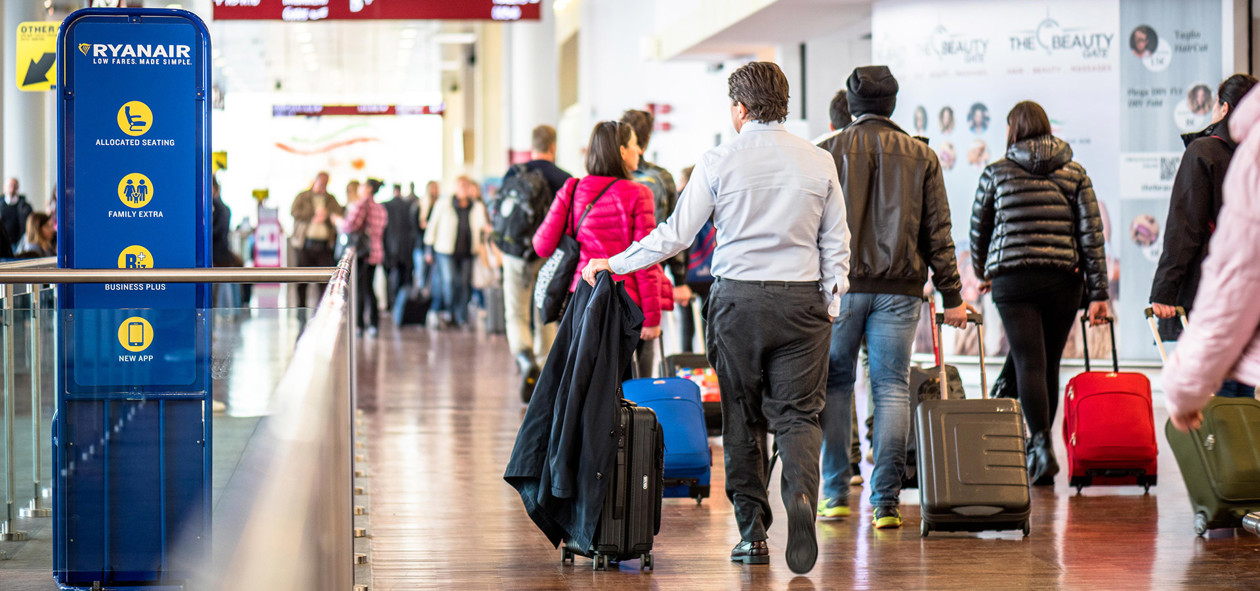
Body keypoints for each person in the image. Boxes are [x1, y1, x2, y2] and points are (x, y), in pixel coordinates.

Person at [582, 62, 850, 574]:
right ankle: (800, 498)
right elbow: (836, 245)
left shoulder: (718, 161)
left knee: (741, 416)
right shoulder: (819, 162)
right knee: (798, 416)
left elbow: (676, 235)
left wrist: (613, 263)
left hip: (738, 304)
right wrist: (829, 306)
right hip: (802, 304)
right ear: (784, 105)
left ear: (740, 109)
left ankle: (752, 533)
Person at [816, 66, 967, 530]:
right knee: (891, 388)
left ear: (852, 103)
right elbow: (938, 233)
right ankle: (886, 503)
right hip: (900, 290)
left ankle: (836, 494)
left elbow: (811, 227)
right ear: (893, 105)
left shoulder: (827, 152)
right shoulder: (922, 156)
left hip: (841, 288)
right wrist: (953, 296)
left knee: (836, 385)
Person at [971, 100, 1110, 485]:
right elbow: (1091, 237)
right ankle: (1042, 450)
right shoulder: (1075, 172)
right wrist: (1098, 292)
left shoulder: (996, 172)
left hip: (1013, 281)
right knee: (1047, 364)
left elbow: (979, 228)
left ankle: (1040, 447)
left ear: (1013, 130)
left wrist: (983, 271)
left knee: (1027, 361)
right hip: (1063, 280)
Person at [1151, 73, 1259, 399]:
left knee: (1216, 399)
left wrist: (1164, 290)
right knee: (1241, 398)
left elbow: (1186, 228)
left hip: (1210, 294)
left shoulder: (1204, 153)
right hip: (1250, 299)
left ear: (1224, 109)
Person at [534, 121, 666, 357]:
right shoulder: (638, 194)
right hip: (624, 302)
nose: (639, 151)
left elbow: (542, 246)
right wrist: (652, 318)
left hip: (580, 299)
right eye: (635, 144)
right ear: (622, 151)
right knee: (622, 384)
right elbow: (646, 260)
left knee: (583, 380)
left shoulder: (572, 189)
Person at [499, 125, 572, 379]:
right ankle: (544, 369)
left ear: (532, 146)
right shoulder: (564, 179)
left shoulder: (514, 172)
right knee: (545, 310)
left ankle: (523, 355)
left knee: (515, 311)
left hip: (515, 253)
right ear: (553, 146)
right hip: (549, 255)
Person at [620, 109, 682, 377]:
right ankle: (642, 402)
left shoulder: (613, 179)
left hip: (617, 268)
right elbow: (678, 229)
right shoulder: (662, 178)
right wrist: (680, 278)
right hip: (655, 267)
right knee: (647, 336)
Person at [425, 177, 488, 328]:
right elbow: (432, 226)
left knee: (465, 284)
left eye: (466, 186)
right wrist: (429, 248)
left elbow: (482, 227)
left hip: (468, 252)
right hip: (446, 251)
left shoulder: (476, 206)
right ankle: (449, 312)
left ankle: (462, 316)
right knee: (450, 282)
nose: (463, 189)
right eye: (460, 186)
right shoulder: (443, 204)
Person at [334, 178, 387, 335]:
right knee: (369, 288)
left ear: (368, 189)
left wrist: (338, 221)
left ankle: (359, 325)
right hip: (376, 251)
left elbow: (350, 226)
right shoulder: (380, 208)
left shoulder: (363, 204)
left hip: (363, 253)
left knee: (360, 289)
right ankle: (374, 324)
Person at [290, 172, 343, 308]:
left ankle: (322, 309)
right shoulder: (303, 196)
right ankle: (300, 309)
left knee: (324, 281)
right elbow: (294, 212)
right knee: (302, 280)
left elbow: (339, 213)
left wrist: (327, 216)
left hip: (324, 245)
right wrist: (313, 216)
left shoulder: (330, 199)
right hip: (305, 244)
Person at [383, 183, 419, 305]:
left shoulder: (386, 205)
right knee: (406, 277)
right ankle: (403, 304)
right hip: (407, 246)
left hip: (391, 245)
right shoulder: (409, 205)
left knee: (392, 276)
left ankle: (392, 304)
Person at [2, 178, 32, 252]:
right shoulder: (1, 205)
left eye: (14, 186)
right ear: (5, 188)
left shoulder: (25, 206)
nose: (12, 189)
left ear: (17, 188)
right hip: (3, 243)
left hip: (19, 243)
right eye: (10, 186)